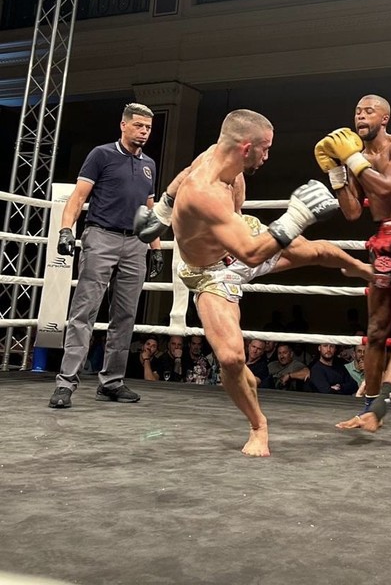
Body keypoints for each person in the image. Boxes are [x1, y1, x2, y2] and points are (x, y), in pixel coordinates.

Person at [133, 108, 372, 457]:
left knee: (318, 251)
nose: (268, 156)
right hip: (212, 272)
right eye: (265, 148)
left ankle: (364, 271)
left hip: (241, 235)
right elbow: (251, 254)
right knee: (231, 359)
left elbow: (184, 173)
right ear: (246, 148)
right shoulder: (205, 191)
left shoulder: (220, 158)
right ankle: (258, 424)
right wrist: (297, 216)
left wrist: (163, 210)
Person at [314, 94, 391, 431]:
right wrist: (336, 172)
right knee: (375, 330)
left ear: (384, 118)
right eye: (357, 111)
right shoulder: (357, 160)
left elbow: (385, 188)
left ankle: (381, 405)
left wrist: (351, 159)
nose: (361, 116)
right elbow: (353, 212)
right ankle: (368, 408)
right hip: (383, 241)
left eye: (369, 111)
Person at [48, 103, 163, 409]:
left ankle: (112, 382)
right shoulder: (101, 154)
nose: (144, 131)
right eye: (138, 125)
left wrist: (156, 247)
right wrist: (65, 230)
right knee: (84, 311)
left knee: (125, 315)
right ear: (123, 125)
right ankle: (65, 383)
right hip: (101, 236)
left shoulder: (149, 164)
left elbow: (149, 209)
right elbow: (78, 196)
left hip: (135, 243)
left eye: (148, 127)